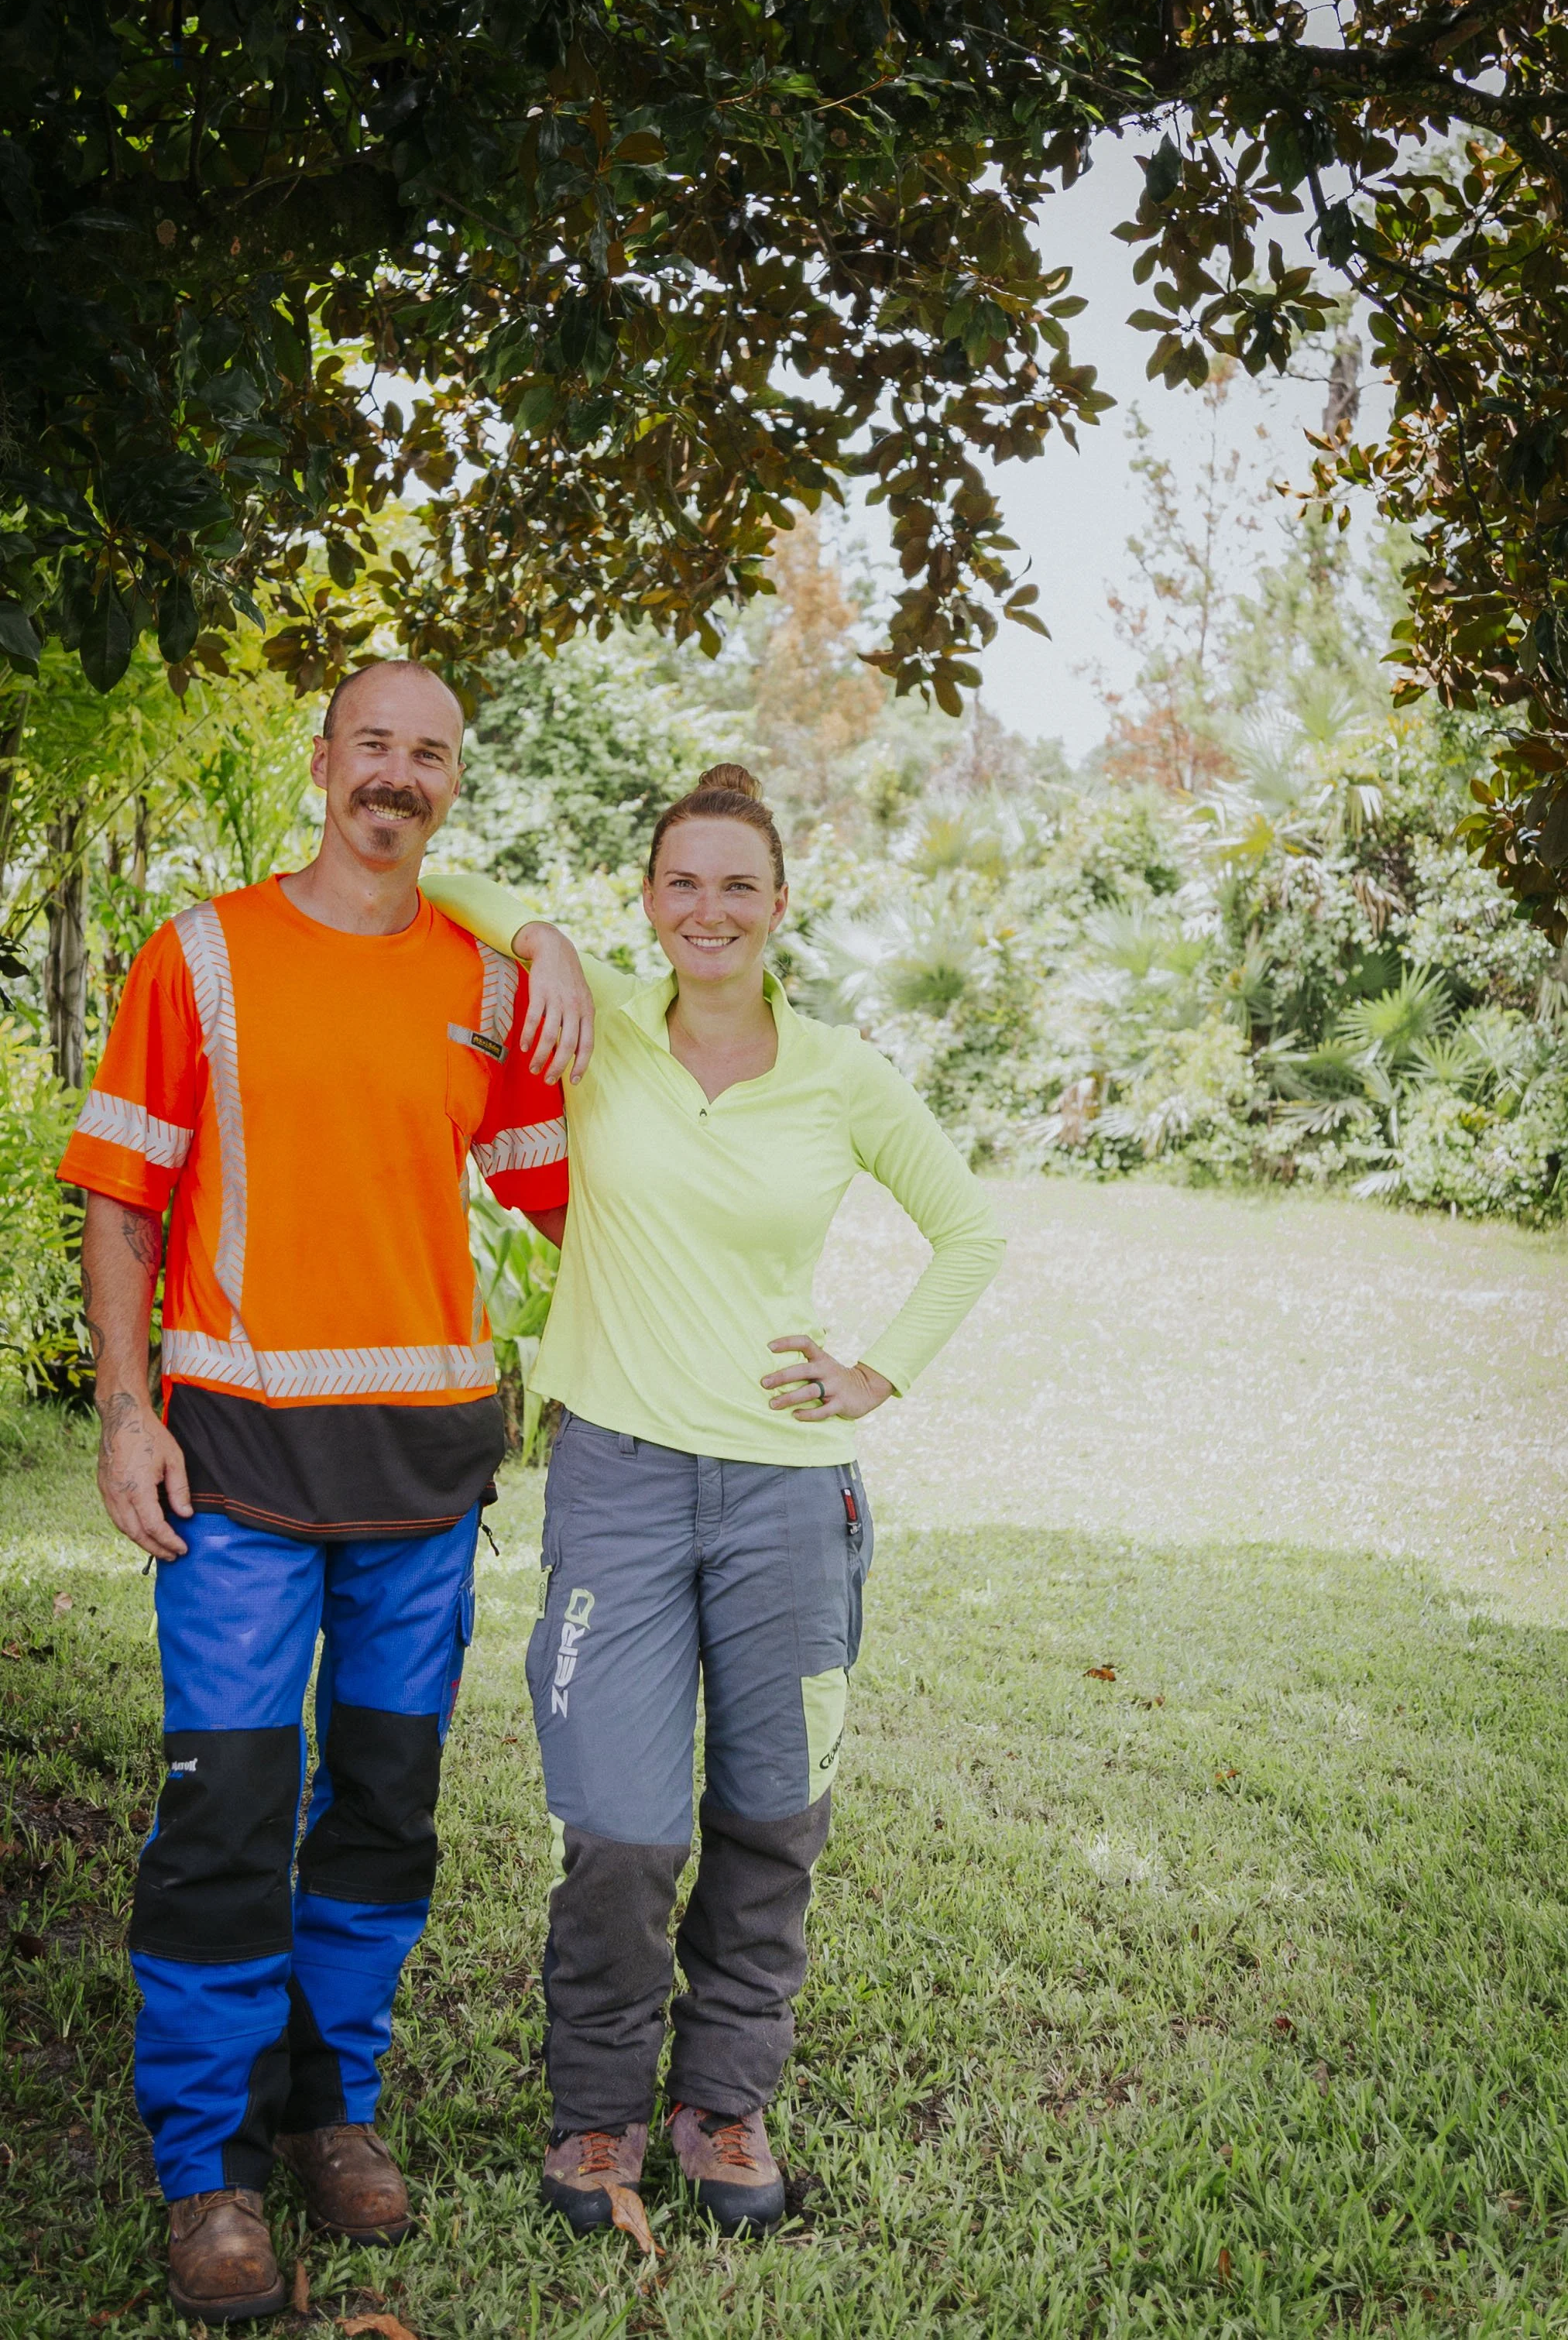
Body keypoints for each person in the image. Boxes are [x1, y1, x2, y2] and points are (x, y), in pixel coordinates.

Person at [59, 660, 592, 2325]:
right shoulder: (199, 955)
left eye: (431, 755)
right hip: (234, 1460)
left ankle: (328, 2112)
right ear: (322, 762)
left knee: (381, 1807)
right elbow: (123, 1199)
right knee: (224, 1805)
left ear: (450, 789)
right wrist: (129, 1410)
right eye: (375, 743)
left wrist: (553, 944)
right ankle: (205, 2163)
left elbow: (595, 1195)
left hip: (424, 1467)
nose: (399, 776)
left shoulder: (488, 988)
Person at [424, 763, 1004, 2238]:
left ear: (782, 907)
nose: (710, 910)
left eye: (739, 884)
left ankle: (723, 2104)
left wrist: (875, 1375)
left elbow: (968, 1232)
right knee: (618, 1826)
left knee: (771, 1814)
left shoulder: (841, 1073)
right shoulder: (611, 1018)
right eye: (683, 881)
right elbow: (442, 880)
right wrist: (548, 935)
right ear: (649, 902)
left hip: (790, 1499)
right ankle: (600, 2114)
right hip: (617, 1477)